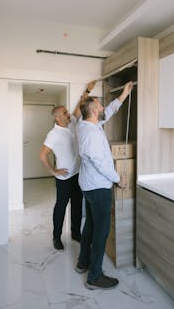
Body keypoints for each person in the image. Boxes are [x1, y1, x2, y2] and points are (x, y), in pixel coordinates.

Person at [75, 81, 134, 290]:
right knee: (100, 231)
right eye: (100, 106)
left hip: (89, 186)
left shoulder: (86, 124)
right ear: (92, 111)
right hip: (98, 188)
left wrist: (124, 94)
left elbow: (108, 113)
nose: (103, 107)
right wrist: (119, 179)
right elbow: (101, 164)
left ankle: (83, 262)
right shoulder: (90, 134)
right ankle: (95, 276)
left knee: (90, 226)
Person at [39, 80, 96, 250]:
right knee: (61, 207)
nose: (68, 114)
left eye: (66, 112)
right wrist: (53, 171)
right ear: (57, 117)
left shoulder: (71, 123)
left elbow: (79, 107)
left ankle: (75, 233)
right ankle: (56, 237)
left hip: (78, 174)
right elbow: (42, 155)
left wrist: (87, 91)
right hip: (64, 178)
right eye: (64, 113)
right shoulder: (53, 135)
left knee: (77, 206)